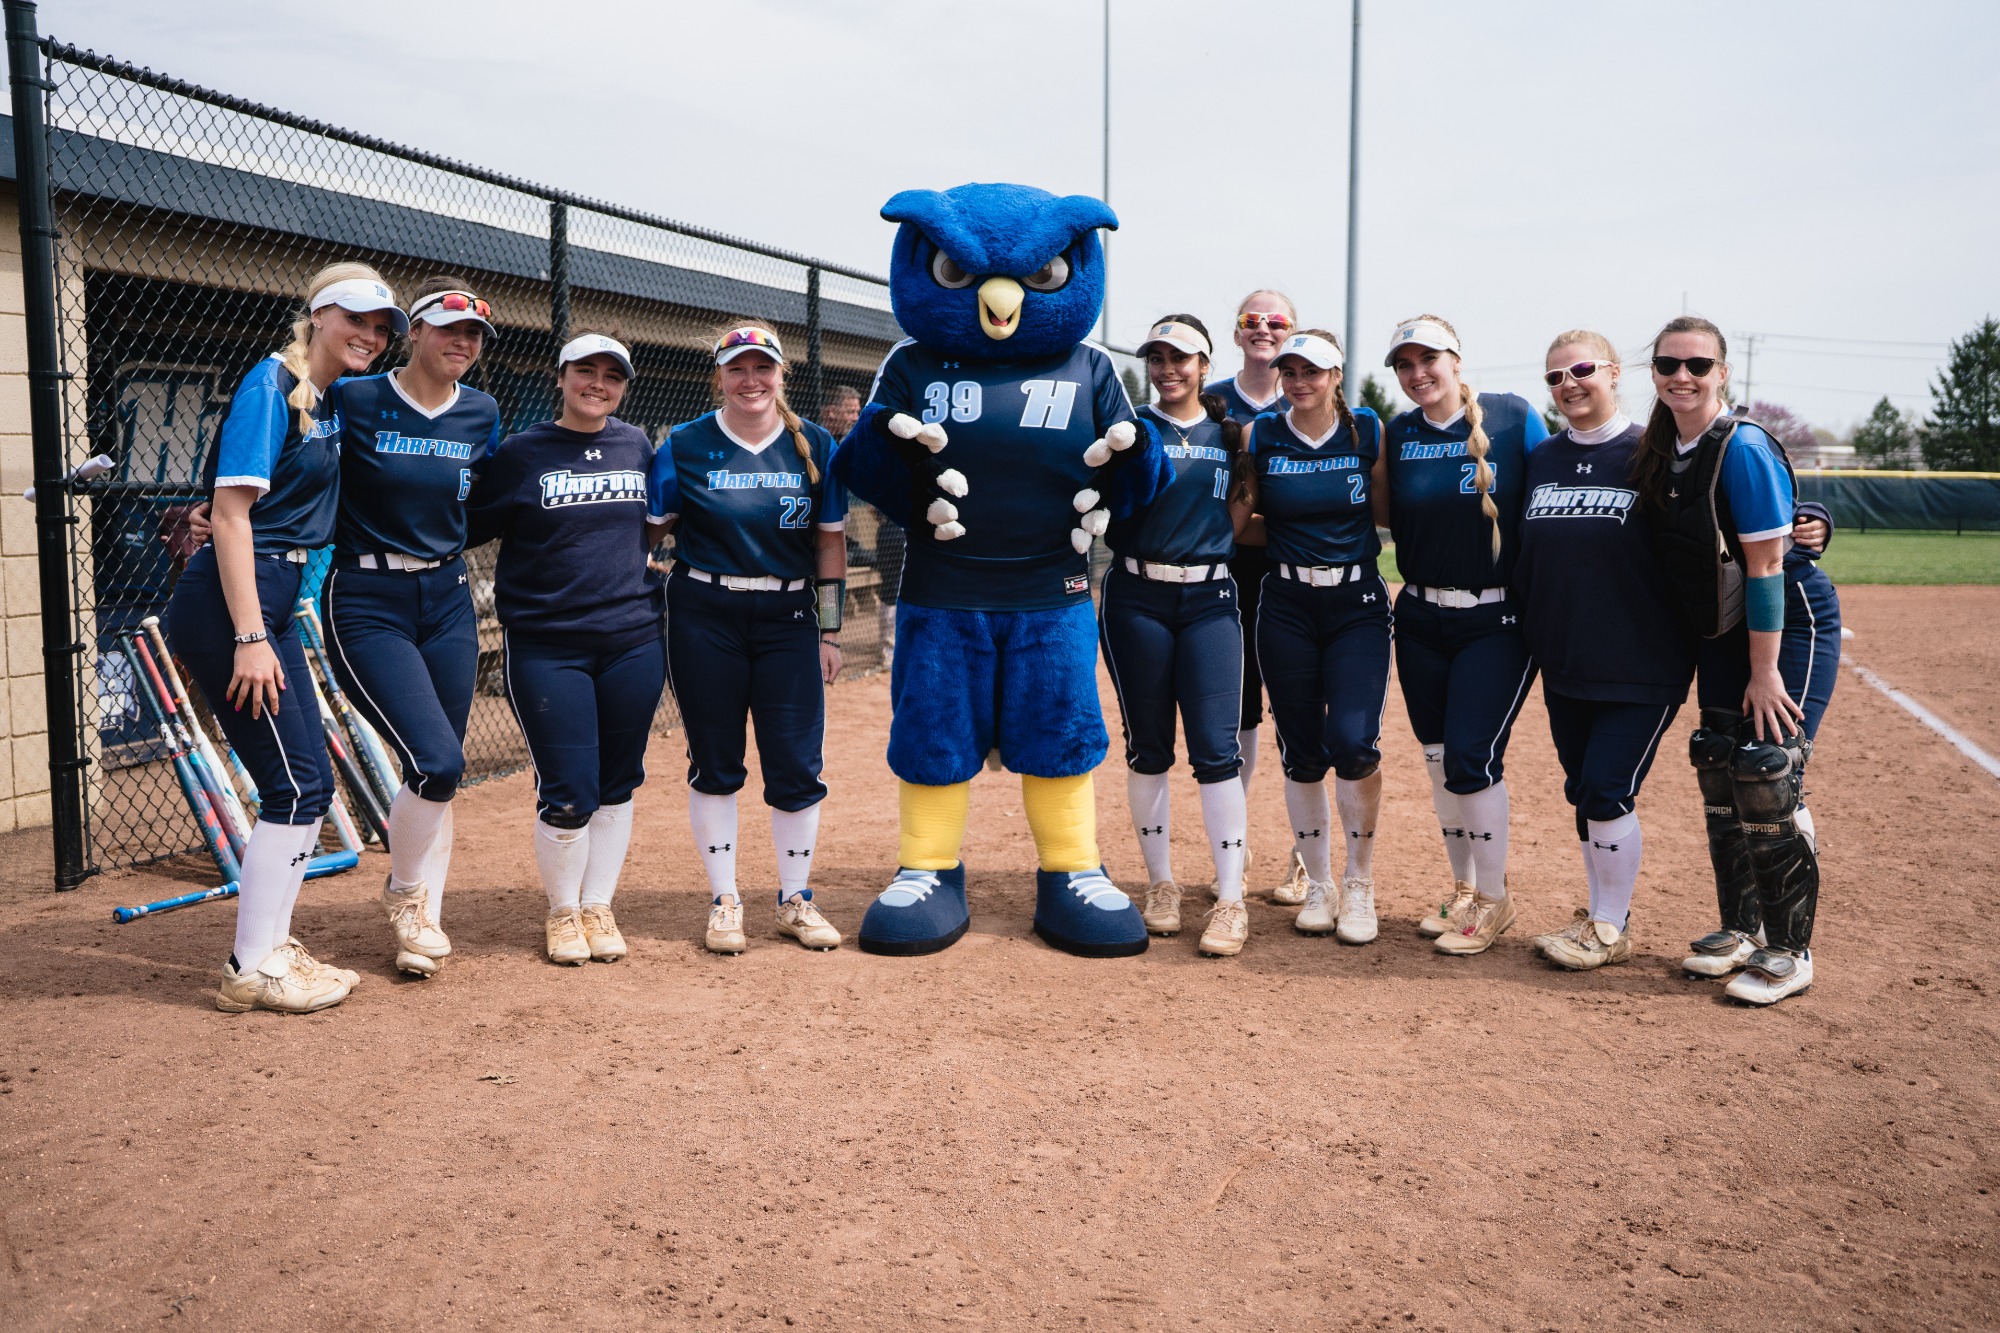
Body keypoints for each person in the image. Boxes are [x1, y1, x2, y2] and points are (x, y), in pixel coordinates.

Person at [165, 263, 406, 1013]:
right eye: (356, 319)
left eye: (380, 327)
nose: (369, 335)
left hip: (267, 600)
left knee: (307, 783)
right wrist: (247, 635)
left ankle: (268, 948)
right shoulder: (270, 384)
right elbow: (232, 515)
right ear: (318, 314)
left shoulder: (329, 398)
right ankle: (252, 963)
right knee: (294, 784)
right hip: (233, 608)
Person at [1634, 316, 1841, 1005]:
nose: (1681, 376)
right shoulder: (1667, 448)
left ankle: (1791, 949)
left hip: (1785, 627)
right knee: (1718, 761)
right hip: (1724, 630)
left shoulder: (1741, 445)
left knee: (1765, 770)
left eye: (1698, 364)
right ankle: (1743, 928)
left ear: (1723, 372)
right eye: (1669, 364)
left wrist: (1764, 671)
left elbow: (1768, 564)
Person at [319, 278, 502, 978]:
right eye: (450, 327)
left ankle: (422, 922)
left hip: (448, 592)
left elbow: (482, 502)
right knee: (438, 760)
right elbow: (300, 464)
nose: (463, 342)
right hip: (368, 594)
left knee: (435, 766)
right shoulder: (356, 398)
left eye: (475, 334)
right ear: (415, 331)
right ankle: (403, 895)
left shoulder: (481, 412)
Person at [465, 332, 665, 965]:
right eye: (585, 371)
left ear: (624, 386)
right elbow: (464, 525)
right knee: (569, 786)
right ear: (561, 377)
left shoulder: (637, 446)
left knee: (618, 781)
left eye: (612, 375)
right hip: (549, 645)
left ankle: (597, 905)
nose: (597, 384)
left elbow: (668, 519)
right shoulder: (524, 453)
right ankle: (561, 911)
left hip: (633, 639)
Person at [647, 323, 847, 955]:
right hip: (705, 612)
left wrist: (832, 629)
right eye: (737, 369)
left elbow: (830, 542)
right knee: (716, 761)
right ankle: (725, 900)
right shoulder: (685, 443)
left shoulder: (814, 444)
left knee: (795, 762)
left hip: (789, 616)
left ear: (781, 374)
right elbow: (646, 535)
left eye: (763, 368)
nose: (751, 380)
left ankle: (794, 899)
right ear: (720, 377)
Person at [1514, 331, 1692, 971]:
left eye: (1582, 370)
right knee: (1582, 789)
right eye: (1555, 376)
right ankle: (1599, 912)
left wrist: (1807, 523)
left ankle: (1610, 926)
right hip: (1566, 661)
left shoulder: (1654, 449)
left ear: (1616, 373)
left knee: (1607, 789)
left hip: (1641, 663)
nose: (1569, 385)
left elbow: (1712, 519)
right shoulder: (1543, 458)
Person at [1374, 316, 1549, 955]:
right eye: (1405, 364)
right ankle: (1465, 889)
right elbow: (1383, 514)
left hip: (1496, 618)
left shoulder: (1511, 416)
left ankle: (1495, 899)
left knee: (1472, 757)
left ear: (1456, 358)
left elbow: (1557, 488)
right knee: (1437, 760)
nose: (1418, 374)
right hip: (1419, 616)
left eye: (1430, 359)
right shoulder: (1398, 432)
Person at [1102, 316, 1253, 956]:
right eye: (1157, 357)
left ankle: (1230, 897)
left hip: (1211, 596)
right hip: (1137, 593)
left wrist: (1214, 545)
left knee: (1218, 749)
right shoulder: (1132, 429)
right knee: (1149, 746)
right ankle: (1161, 885)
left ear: (1204, 363)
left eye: (1181, 358)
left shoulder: (1231, 432)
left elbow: (1242, 503)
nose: (1168, 369)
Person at [1234, 329, 1389, 943]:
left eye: (1313, 371)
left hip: (1356, 602)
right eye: (1290, 371)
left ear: (1336, 375)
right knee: (1300, 748)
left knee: (1352, 742)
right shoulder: (1262, 433)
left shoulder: (1368, 430)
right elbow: (1240, 522)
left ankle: (1359, 881)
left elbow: (1384, 515)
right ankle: (1318, 883)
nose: (1300, 382)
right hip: (1287, 603)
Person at [1205, 290, 1308, 905]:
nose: (1263, 329)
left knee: (1305, 710)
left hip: (1300, 573)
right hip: (1235, 572)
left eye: (1276, 322)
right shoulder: (1213, 399)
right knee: (1239, 713)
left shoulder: (1311, 393)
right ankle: (1234, 856)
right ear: (1237, 332)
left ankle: (1305, 856)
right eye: (1252, 320)